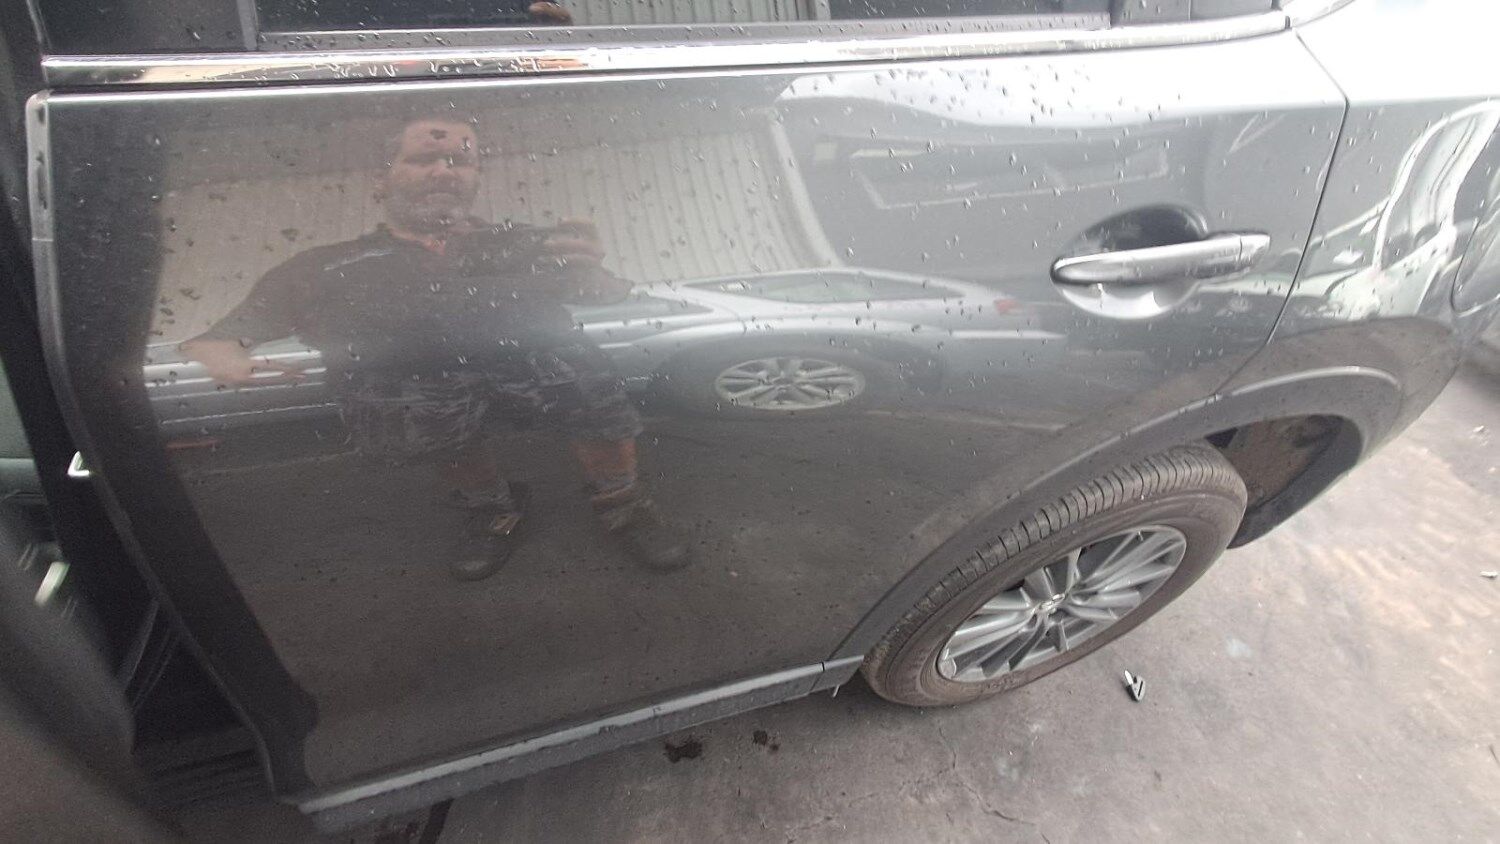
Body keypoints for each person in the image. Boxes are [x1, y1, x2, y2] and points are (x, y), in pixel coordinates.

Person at [181, 116, 690, 580]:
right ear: (381, 180)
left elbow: (603, 294)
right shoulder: (330, 265)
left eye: (460, 162)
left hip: (542, 366)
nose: (445, 171)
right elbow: (224, 335)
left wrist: (592, 268)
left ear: (475, 179)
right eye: (424, 159)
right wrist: (225, 355)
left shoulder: (523, 244)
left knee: (592, 396)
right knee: (437, 426)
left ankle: (624, 506)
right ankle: (494, 511)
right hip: (427, 382)